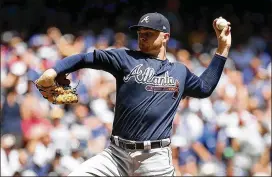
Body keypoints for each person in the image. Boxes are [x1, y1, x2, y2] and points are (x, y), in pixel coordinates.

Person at [35, 12, 231, 176]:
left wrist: (222, 49)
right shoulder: (125, 58)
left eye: (149, 33)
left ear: (165, 37)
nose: (142, 36)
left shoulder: (179, 71)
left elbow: (205, 88)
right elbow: (86, 58)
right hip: (116, 155)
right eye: (140, 33)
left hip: (155, 159)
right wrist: (53, 71)